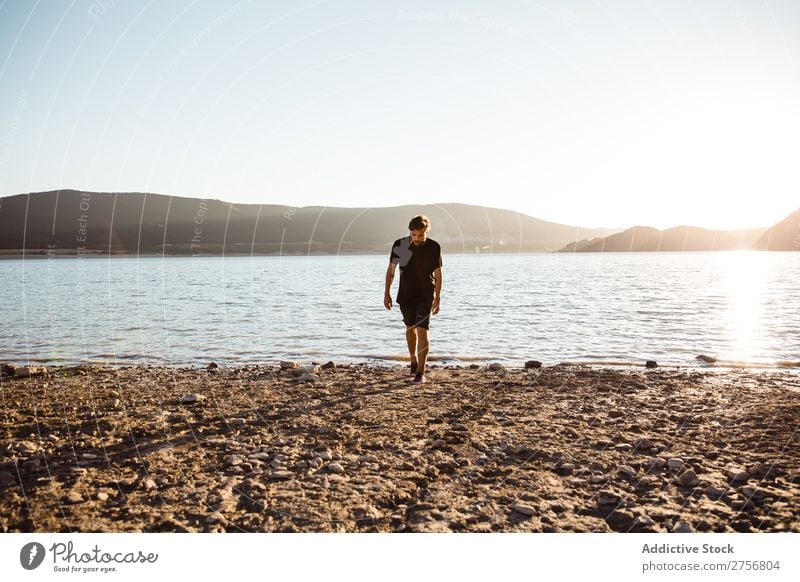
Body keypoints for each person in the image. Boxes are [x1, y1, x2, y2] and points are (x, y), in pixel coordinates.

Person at [384, 215, 443, 383]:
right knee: (410, 328)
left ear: (426, 231)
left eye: (420, 235)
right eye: (413, 234)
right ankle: (413, 361)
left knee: (423, 330)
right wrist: (386, 292)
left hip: (426, 295)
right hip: (406, 294)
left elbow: (438, 275)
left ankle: (421, 372)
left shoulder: (434, 247)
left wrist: (438, 298)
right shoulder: (400, 245)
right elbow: (391, 271)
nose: (416, 238)